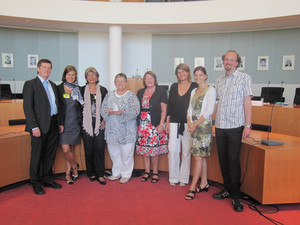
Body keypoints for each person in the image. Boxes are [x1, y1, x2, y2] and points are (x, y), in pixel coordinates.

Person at [213, 50, 252, 212]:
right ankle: (227, 189)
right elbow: (217, 103)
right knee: (223, 161)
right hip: (220, 126)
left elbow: (247, 102)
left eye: (231, 59)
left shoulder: (244, 78)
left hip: (236, 126)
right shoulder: (219, 80)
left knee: (234, 162)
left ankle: (236, 197)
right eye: (226, 59)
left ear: (237, 63)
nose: (228, 62)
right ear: (223, 62)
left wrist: (248, 125)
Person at [22, 59, 64, 195]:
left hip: (53, 124)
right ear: (38, 69)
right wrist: (34, 127)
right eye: (44, 67)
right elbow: (28, 107)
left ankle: (47, 179)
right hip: (39, 126)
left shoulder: (53, 85)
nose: (47, 70)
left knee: (50, 154)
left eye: (49, 68)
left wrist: (60, 123)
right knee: (37, 155)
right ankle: (35, 182)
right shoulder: (30, 84)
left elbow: (58, 106)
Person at [100, 73, 140, 184]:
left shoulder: (131, 96)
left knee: (126, 154)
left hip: (127, 131)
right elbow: (102, 109)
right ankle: (116, 173)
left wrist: (122, 112)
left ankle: (126, 174)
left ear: (126, 82)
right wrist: (107, 112)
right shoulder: (109, 95)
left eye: (122, 81)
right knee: (114, 153)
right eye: (118, 81)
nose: (120, 83)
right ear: (114, 83)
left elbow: (136, 110)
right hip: (112, 130)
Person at [185, 66, 216, 200]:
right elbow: (189, 110)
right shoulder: (193, 91)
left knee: (197, 157)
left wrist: (195, 124)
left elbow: (209, 110)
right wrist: (190, 124)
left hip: (203, 127)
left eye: (200, 75)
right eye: (196, 75)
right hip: (193, 126)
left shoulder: (211, 90)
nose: (198, 77)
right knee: (200, 156)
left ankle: (192, 187)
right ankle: (204, 183)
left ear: (206, 76)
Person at [166, 63, 198, 186]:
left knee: (186, 151)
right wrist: (167, 122)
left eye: (183, 71)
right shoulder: (174, 86)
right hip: (174, 122)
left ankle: (184, 179)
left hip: (188, 123)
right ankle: (173, 177)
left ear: (188, 73)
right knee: (172, 150)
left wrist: (193, 123)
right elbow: (170, 105)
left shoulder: (194, 86)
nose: (181, 74)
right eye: (179, 72)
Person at [136, 71, 168, 183]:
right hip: (143, 123)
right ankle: (146, 171)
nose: (149, 80)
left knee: (154, 149)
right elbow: (137, 109)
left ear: (155, 79)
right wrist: (138, 124)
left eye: (151, 78)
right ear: (144, 80)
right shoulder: (140, 92)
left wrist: (161, 124)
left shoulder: (161, 91)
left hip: (155, 123)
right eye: (147, 78)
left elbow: (164, 109)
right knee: (145, 149)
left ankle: (155, 171)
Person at [81, 67, 108, 185]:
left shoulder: (103, 90)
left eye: (93, 75)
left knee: (99, 148)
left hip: (99, 123)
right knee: (88, 149)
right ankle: (91, 172)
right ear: (86, 78)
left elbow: (107, 106)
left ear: (97, 77)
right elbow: (77, 107)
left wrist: (104, 120)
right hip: (86, 123)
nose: (91, 77)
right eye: (89, 75)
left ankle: (100, 173)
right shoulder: (81, 90)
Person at [57, 65, 83, 184]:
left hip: (75, 123)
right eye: (69, 74)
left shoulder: (78, 89)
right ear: (65, 75)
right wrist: (58, 122)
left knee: (71, 150)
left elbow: (82, 106)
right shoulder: (58, 89)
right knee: (66, 149)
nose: (71, 77)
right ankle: (74, 167)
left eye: (73, 74)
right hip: (63, 124)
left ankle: (68, 174)